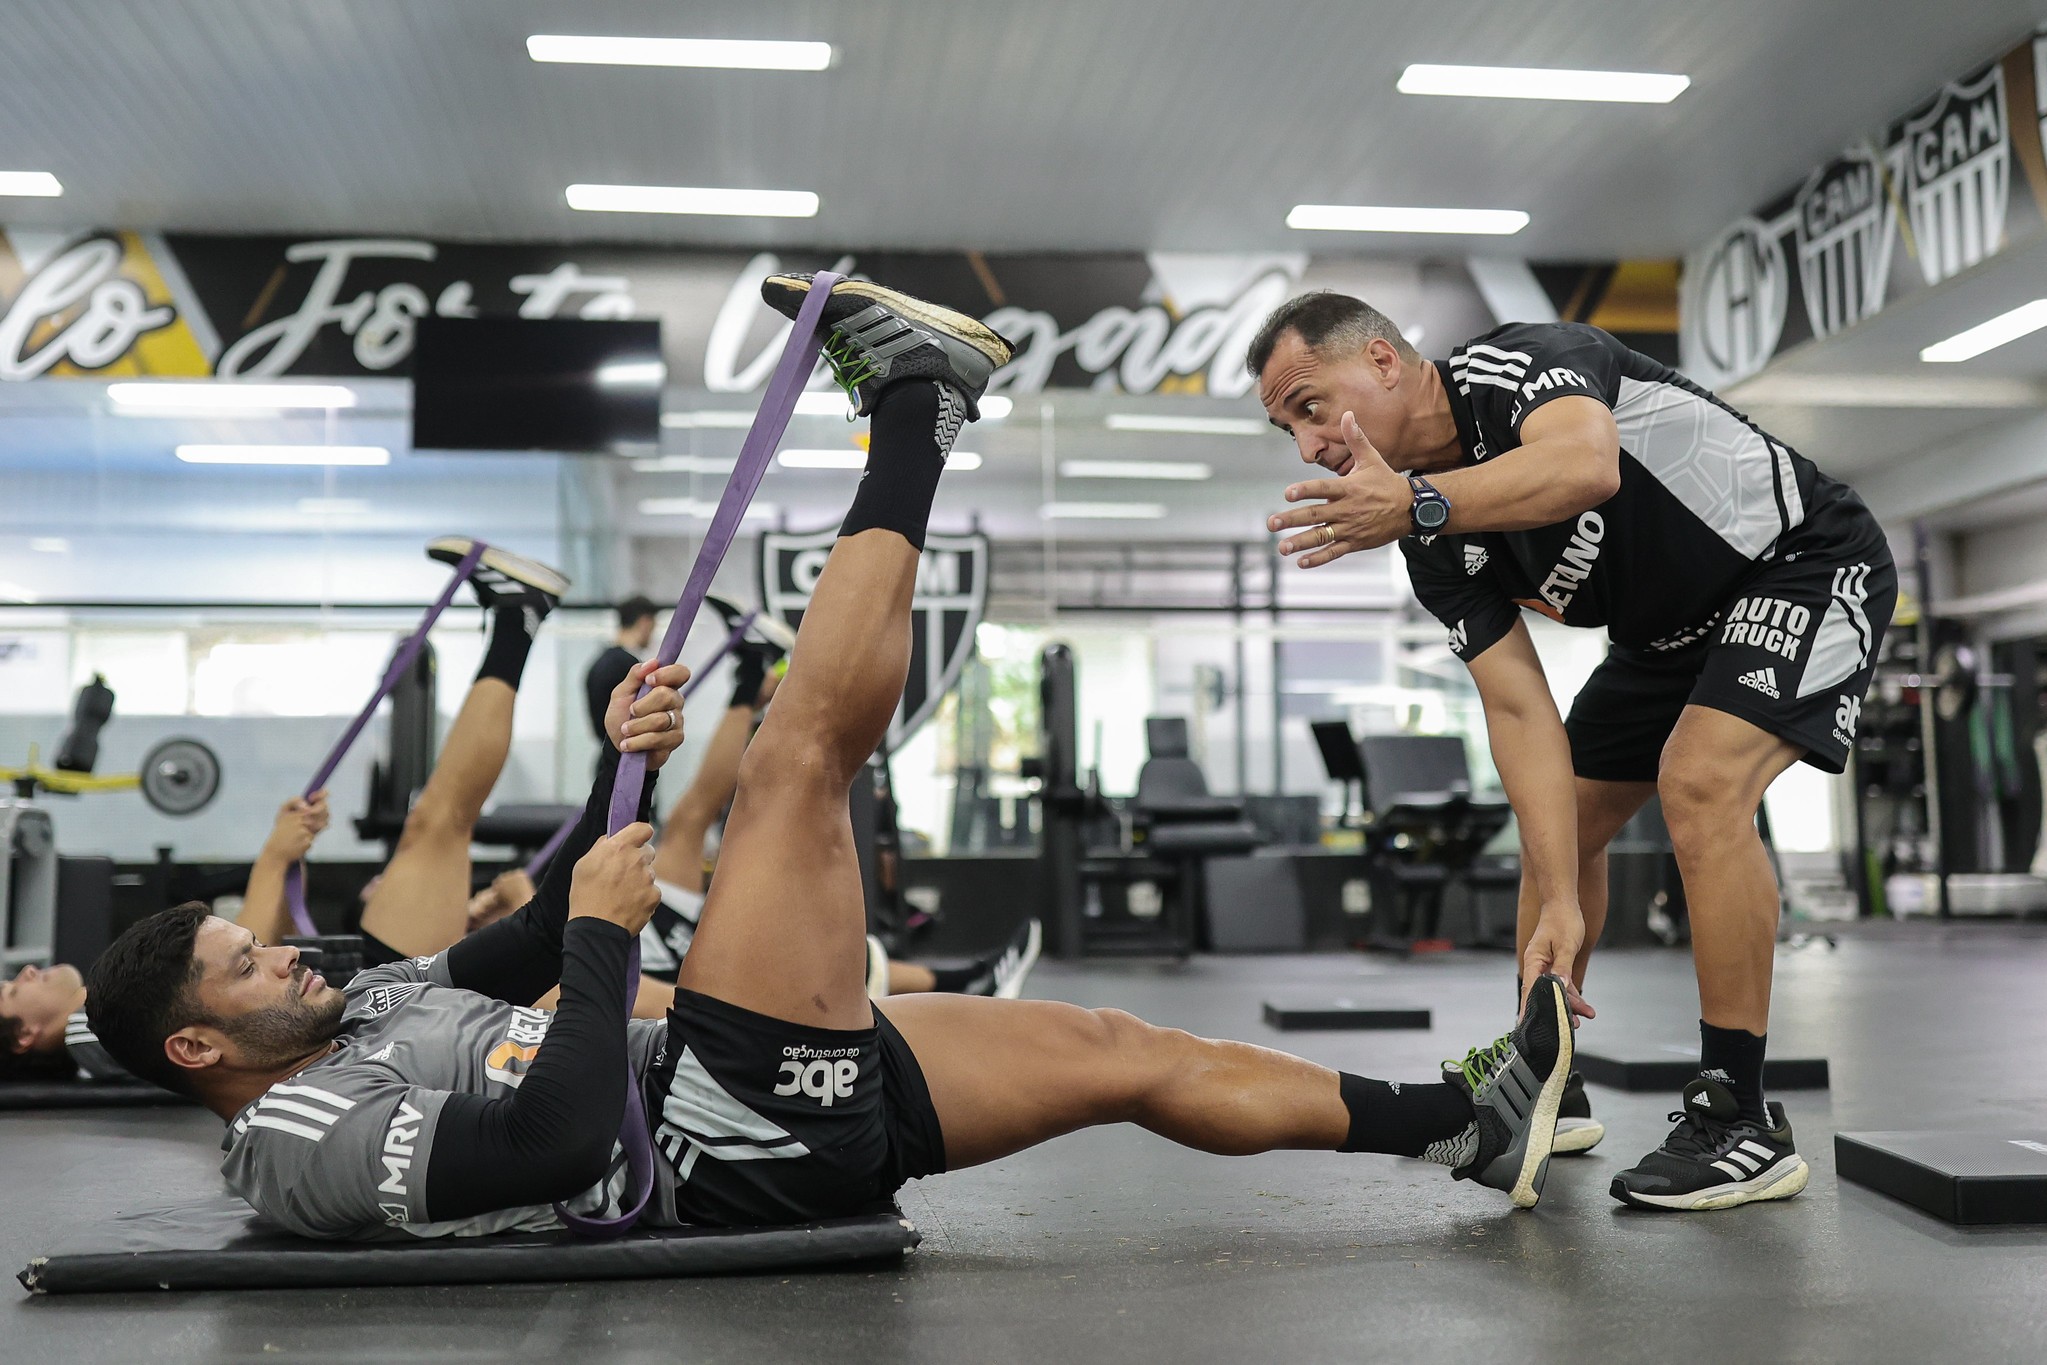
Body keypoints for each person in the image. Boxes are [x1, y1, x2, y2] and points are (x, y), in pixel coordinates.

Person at [82, 274, 1571, 1240]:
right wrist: (603, 945)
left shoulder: (363, 998)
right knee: (799, 762)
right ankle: (920, 406)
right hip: (714, 1142)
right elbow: (545, 1144)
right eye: (247, 967)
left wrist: (635, 777)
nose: (286, 956)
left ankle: (1467, 1116)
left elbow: (536, 931)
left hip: (735, 1079)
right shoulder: (289, 1139)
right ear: (198, 1049)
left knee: (1127, 1053)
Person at [1250, 292, 1896, 1211]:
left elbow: (1583, 465)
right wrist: (1558, 895)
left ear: (1385, 362)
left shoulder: (1520, 365)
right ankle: (1544, 1080)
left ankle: (1739, 1118)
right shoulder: (1430, 543)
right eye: (1287, 429)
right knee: (1560, 828)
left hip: (1800, 561)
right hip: (1664, 638)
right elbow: (1518, 713)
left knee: (1700, 782)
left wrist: (1421, 503)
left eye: (1310, 407)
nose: (1308, 445)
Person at [3, 542, 565, 1081]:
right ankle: (518, 620)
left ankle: (517, 622)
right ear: (26, 1035)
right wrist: (275, 856)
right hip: (357, 1001)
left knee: (440, 826)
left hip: (347, 985)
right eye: (10, 991)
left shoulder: (108, 1022)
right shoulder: (93, 1033)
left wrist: (285, 859)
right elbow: (231, 971)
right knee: (440, 822)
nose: (25, 971)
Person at [585, 595, 658, 745]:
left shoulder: (598, 663)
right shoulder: (631, 668)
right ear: (644, 623)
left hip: (608, 755)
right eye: (652, 628)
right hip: (626, 755)